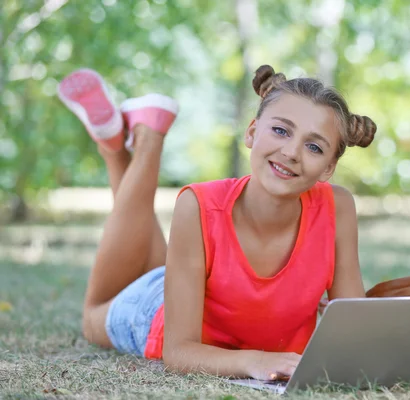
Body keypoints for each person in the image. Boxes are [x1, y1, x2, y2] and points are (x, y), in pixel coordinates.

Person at [57, 65, 377, 381]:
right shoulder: (199, 205)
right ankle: (147, 139)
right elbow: (178, 351)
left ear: (328, 168)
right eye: (280, 130)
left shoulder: (338, 207)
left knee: (151, 254)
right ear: (251, 132)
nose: (292, 152)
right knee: (92, 316)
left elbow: (354, 329)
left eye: (314, 147)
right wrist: (255, 361)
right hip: (156, 310)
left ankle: (113, 139)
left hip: (193, 283)